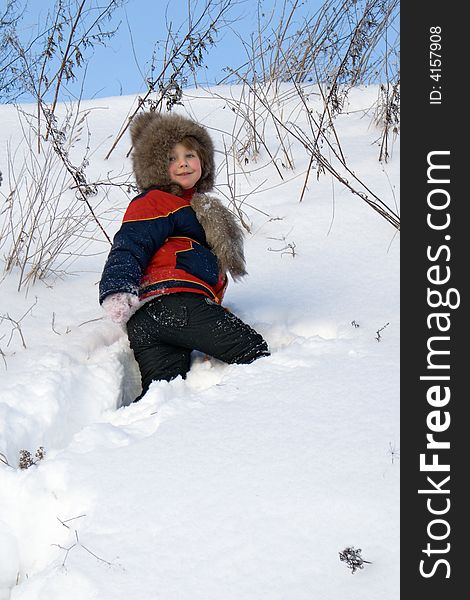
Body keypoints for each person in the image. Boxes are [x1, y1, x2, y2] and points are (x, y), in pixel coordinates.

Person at [99, 111, 269, 401]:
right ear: (154, 167)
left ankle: (141, 437)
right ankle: (258, 411)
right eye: (170, 158)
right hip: (175, 303)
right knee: (252, 350)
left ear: (203, 160)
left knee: (162, 392)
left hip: (146, 322)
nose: (182, 163)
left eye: (189, 155)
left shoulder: (195, 208)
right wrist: (117, 288)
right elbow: (130, 243)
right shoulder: (155, 201)